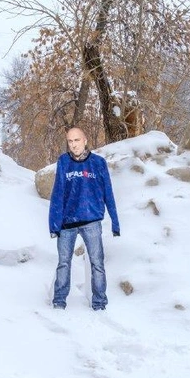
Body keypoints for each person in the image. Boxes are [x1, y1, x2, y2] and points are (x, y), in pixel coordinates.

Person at [49, 127, 120, 311]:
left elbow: (108, 192)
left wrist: (115, 221)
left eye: (77, 140)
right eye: (70, 141)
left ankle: (99, 303)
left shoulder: (98, 163)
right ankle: (59, 302)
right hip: (67, 224)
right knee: (63, 263)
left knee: (97, 263)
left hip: (91, 221)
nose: (73, 145)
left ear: (85, 140)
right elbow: (57, 193)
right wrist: (54, 224)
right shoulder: (63, 162)